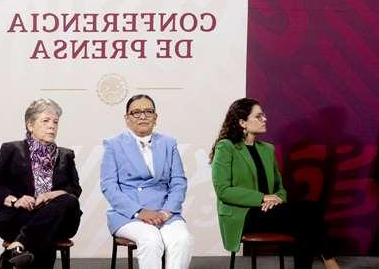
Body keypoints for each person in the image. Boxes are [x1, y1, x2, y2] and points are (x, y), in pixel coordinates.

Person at [210, 98, 339, 269]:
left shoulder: (267, 149)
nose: (265, 119)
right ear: (243, 123)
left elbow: (280, 188)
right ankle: (330, 262)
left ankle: (327, 262)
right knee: (310, 213)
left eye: (263, 115)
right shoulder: (226, 147)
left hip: (269, 211)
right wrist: (263, 197)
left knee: (306, 222)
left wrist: (276, 199)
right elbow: (223, 190)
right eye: (258, 116)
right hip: (243, 215)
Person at [100, 94, 193, 269]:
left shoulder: (168, 143)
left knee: (182, 239)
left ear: (155, 118)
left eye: (148, 111)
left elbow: (178, 182)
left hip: (165, 212)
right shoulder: (113, 145)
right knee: (151, 240)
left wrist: (166, 212)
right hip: (128, 214)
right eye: (136, 112)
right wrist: (139, 212)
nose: (143, 116)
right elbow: (109, 187)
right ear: (127, 119)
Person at [0, 98, 82, 269]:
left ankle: (17, 246)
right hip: (19, 217)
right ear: (30, 125)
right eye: (45, 121)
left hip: (58, 219)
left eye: (55, 122)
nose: (52, 126)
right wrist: (16, 201)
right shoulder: (11, 149)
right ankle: (19, 248)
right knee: (45, 233)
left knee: (69, 200)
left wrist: (49, 196)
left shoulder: (66, 155)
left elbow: (74, 190)